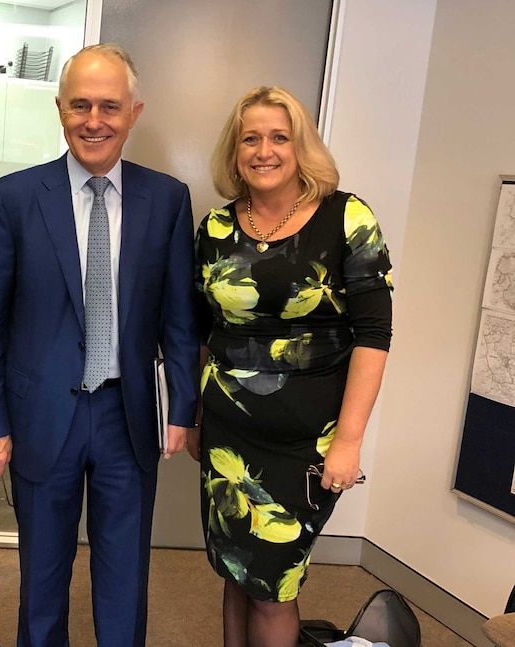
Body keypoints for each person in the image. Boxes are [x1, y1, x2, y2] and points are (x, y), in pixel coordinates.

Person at [0, 43, 199, 647]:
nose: (94, 120)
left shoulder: (168, 200)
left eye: (110, 107)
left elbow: (179, 317)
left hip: (128, 417)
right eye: (81, 105)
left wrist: (183, 410)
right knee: (43, 577)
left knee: (126, 576)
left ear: (135, 112)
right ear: (60, 109)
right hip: (42, 414)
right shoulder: (12, 199)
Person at [189, 86, 393, 646]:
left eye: (280, 137)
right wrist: (196, 417)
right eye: (250, 138)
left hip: (306, 439)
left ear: (301, 147)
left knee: (273, 583)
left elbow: (374, 334)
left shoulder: (346, 217)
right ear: (234, 151)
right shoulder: (213, 229)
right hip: (228, 431)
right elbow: (205, 332)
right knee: (235, 571)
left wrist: (349, 441)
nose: (264, 150)